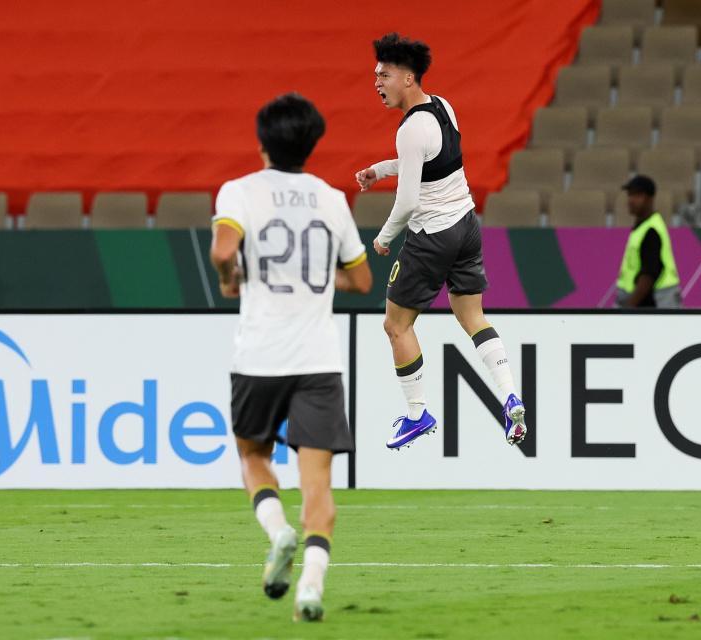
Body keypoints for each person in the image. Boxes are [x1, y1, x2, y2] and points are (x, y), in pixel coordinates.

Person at [210, 93, 372, 622]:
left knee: (253, 457)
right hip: (318, 360)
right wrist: (321, 277)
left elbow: (222, 251)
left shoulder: (239, 191)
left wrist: (230, 278)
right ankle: (311, 587)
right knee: (318, 485)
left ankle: (279, 531)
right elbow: (362, 280)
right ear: (311, 145)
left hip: (259, 356)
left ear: (262, 144)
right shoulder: (331, 199)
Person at [354, 33, 527, 450]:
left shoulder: (410, 129)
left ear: (408, 78)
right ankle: (510, 396)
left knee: (396, 325)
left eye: (384, 75)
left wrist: (384, 237)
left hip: (432, 236)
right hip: (466, 225)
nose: (376, 83)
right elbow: (428, 163)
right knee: (472, 316)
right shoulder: (443, 107)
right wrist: (380, 169)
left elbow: (409, 200)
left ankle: (417, 414)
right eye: (376, 75)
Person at [615, 176, 682, 308]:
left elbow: (649, 275)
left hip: (659, 300)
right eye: (630, 195)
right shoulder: (643, 227)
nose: (631, 200)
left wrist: (629, 307)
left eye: (637, 195)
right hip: (650, 300)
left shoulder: (651, 230)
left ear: (650, 199)